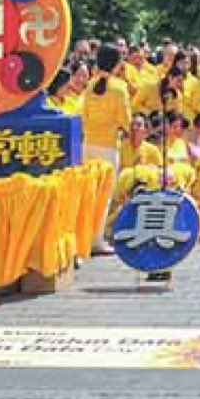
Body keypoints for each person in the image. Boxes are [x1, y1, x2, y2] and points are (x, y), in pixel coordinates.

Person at [81, 44, 131, 251]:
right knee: (104, 194)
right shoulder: (119, 88)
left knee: (89, 193)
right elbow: (125, 119)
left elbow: (84, 114)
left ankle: (84, 238)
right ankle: (96, 240)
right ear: (117, 64)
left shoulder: (90, 85)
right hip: (108, 146)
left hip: (87, 145)